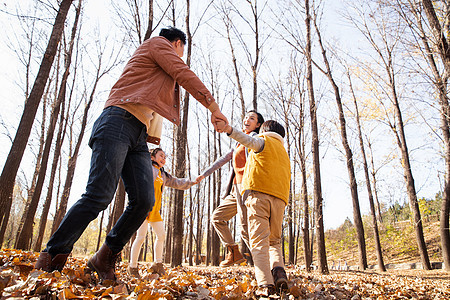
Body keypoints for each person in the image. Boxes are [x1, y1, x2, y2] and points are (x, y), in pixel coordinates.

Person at [34, 26, 228, 281]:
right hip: (117, 121)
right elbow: (182, 72)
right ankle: (52, 256)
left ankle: (104, 257)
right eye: (182, 50)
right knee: (99, 195)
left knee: (144, 201)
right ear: (178, 43)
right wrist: (213, 107)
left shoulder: (158, 64)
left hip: (138, 136)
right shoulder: (158, 44)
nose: (180, 56)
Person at [220, 120, 291, 297]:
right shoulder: (283, 152)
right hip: (280, 199)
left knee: (258, 241)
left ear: (264, 130)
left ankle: (265, 283)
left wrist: (229, 129)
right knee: (274, 241)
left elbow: (246, 140)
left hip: (258, 195)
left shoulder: (262, 141)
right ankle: (279, 271)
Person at [195, 110, 264, 267]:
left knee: (246, 229)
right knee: (217, 218)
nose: (247, 119)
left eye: (252, 118)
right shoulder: (238, 143)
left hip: (246, 187)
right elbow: (221, 160)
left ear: (257, 125)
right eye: (246, 117)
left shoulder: (254, 138)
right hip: (235, 190)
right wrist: (203, 175)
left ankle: (264, 265)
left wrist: (229, 129)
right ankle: (234, 252)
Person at [128, 148, 196, 278]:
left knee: (161, 235)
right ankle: (132, 266)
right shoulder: (147, 168)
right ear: (152, 157)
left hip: (155, 210)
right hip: (143, 208)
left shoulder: (162, 174)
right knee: (140, 237)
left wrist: (192, 181)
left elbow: (177, 182)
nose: (163, 158)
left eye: (165, 157)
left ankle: (157, 264)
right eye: (161, 156)